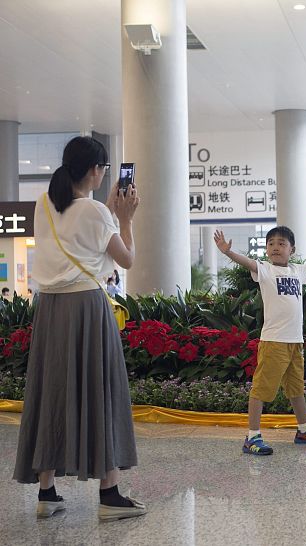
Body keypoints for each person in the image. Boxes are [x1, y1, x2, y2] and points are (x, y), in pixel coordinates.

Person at [13, 136, 145, 521]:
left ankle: (47, 492)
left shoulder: (43, 204)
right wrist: (126, 218)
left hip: (51, 309)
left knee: (51, 391)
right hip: (87, 306)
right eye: (103, 168)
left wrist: (109, 214)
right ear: (94, 170)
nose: (104, 174)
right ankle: (109, 494)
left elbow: (79, 229)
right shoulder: (98, 214)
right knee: (100, 389)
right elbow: (128, 260)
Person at [214, 226, 306, 455]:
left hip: (295, 342)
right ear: (266, 250)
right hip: (273, 341)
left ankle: (304, 430)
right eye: (271, 244)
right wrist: (227, 253)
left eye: (281, 244)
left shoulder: (297, 271)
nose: (276, 247)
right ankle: (252, 437)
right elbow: (247, 262)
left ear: (292, 249)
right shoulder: (265, 270)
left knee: (296, 389)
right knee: (261, 390)